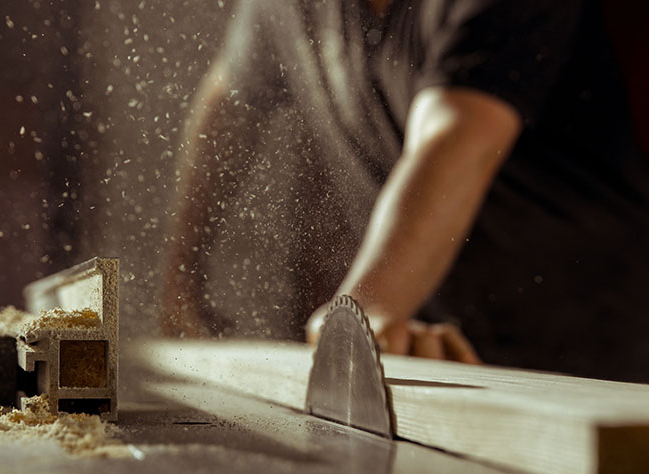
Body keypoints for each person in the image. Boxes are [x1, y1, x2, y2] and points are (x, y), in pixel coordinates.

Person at [162, 0, 649, 382]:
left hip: (598, 345)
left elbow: (458, 135)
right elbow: (231, 103)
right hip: (439, 338)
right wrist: (182, 275)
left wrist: (368, 306)